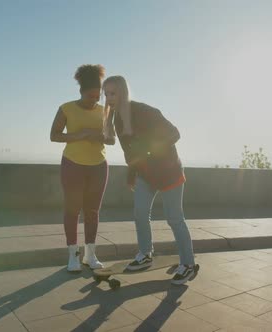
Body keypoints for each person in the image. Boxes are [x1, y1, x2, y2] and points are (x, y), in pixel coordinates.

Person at [102, 75, 197, 285]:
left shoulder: (144, 111)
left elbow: (174, 133)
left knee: (174, 219)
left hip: (168, 172)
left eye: (113, 93)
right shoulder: (117, 118)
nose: (108, 98)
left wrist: (148, 153)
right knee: (140, 214)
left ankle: (188, 265)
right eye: (106, 93)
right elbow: (129, 151)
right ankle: (145, 254)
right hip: (145, 176)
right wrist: (131, 173)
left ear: (123, 92)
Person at [50, 64, 115, 272]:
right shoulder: (66, 108)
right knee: (72, 210)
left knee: (92, 211)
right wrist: (79, 135)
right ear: (81, 91)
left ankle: (91, 254)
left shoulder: (105, 110)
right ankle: (73, 256)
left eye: (98, 97)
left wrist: (97, 136)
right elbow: (54, 135)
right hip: (73, 165)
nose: (94, 100)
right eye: (90, 96)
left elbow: (112, 139)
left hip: (98, 166)